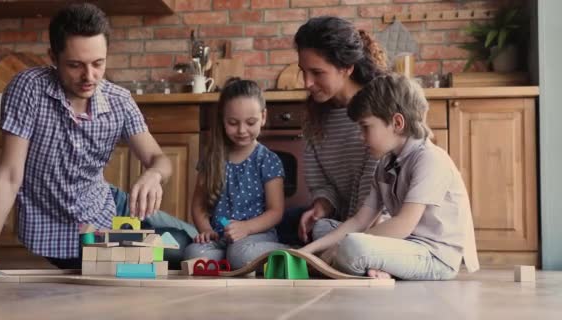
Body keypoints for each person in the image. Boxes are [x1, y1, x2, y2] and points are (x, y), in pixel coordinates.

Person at [0, 3, 194, 272]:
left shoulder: (120, 101)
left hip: (112, 207)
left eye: (98, 64)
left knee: (195, 244)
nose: (89, 77)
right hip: (64, 236)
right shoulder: (29, 88)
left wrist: (154, 174)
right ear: (53, 58)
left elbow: (160, 159)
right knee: (175, 254)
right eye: (75, 65)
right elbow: (9, 175)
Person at [300, 74, 480, 280]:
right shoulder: (385, 165)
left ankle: (373, 263)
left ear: (397, 122)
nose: (361, 137)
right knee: (328, 231)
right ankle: (381, 267)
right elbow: (360, 220)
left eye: (365, 127)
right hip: (406, 247)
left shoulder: (430, 160)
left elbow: (404, 224)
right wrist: (308, 251)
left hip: (436, 257)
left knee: (353, 246)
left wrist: (339, 246)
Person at [276, 16, 387, 246]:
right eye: (303, 71)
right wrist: (321, 206)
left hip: (376, 225)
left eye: (317, 72)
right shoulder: (315, 116)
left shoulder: (378, 113)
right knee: (274, 223)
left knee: (319, 232)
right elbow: (322, 184)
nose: (307, 83)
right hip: (339, 221)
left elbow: (372, 201)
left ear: (347, 68)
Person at [183, 78, 288, 270]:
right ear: (223, 119)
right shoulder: (212, 158)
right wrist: (206, 230)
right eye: (233, 123)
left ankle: (288, 251)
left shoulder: (268, 160)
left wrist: (246, 228)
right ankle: (228, 261)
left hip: (256, 236)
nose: (241, 130)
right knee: (193, 254)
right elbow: (198, 204)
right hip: (221, 237)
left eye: (250, 122)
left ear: (263, 117)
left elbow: (276, 212)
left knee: (241, 255)